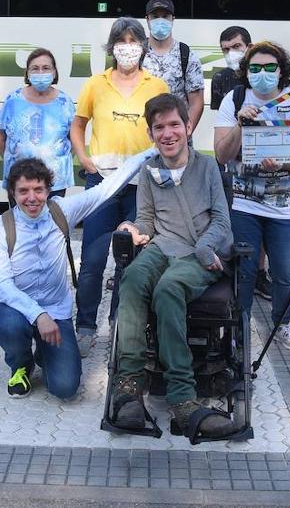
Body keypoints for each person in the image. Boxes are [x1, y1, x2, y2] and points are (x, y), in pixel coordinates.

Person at [110, 94, 239, 438]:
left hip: (198, 252)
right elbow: (147, 220)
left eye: (173, 125)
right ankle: (129, 385)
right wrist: (133, 230)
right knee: (133, 277)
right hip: (161, 246)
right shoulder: (148, 171)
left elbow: (223, 222)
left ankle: (183, 399)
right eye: (159, 127)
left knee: (168, 288)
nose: (167, 133)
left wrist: (203, 249)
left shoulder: (208, 166)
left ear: (188, 126)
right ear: (151, 133)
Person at [0, 147, 153, 399]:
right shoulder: (0, 227)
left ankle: (44, 350)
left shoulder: (61, 210)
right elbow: (2, 286)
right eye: (23, 191)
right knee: (9, 324)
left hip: (56, 311)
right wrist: (39, 315)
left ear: (48, 190)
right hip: (17, 309)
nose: (32, 198)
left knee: (65, 388)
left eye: (38, 190)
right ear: (12, 192)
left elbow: (106, 188)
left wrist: (150, 152)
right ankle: (21, 364)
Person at [70, 17, 169, 357]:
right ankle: (85, 328)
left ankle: (119, 327)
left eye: (134, 41)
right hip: (103, 184)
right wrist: (84, 158)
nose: (128, 47)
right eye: (122, 41)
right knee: (93, 260)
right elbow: (78, 126)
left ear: (143, 47)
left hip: (141, 186)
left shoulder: (157, 86)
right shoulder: (95, 85)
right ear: (112, 47)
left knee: (130, 262)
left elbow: (164, 129)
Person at [214, 41, 290, 352]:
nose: (263, 74)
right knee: (244, 269)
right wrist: (240, 124)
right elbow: (222, 155)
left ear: (281, 70)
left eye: (270, 68)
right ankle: (240, 326)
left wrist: (283, 162)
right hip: (245, 204)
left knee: (285, 271)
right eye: (255, 68)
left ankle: (283, 324)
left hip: (286, 208)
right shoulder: (234, 100)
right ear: (246, 72)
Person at [0, 47, 76, 197]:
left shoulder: (65, 102)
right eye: (35, 68)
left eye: (46, 68)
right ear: (27, 73)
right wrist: (13, 158)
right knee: (19, 220)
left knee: (53, 220)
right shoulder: (13, 100)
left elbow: (74, 138)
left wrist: (60, 160)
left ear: (54, 72)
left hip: (54, 183)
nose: (40, 73)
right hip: (19, 181)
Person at [141, 0, 205, 131]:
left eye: (165, 16)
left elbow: (196, 103)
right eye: (155, 16)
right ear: (147, 19)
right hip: (141, 137)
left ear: (173, 19)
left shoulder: (186, 54)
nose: (160, 20)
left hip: (176, 139)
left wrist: (184, 133)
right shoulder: (137, 52)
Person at [210, 26, 251, 111]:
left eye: (236, 46)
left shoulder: (261, 74)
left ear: (249, 47)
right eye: (226, 49)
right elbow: (219, 114)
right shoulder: (219, 78)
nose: (231, 53)